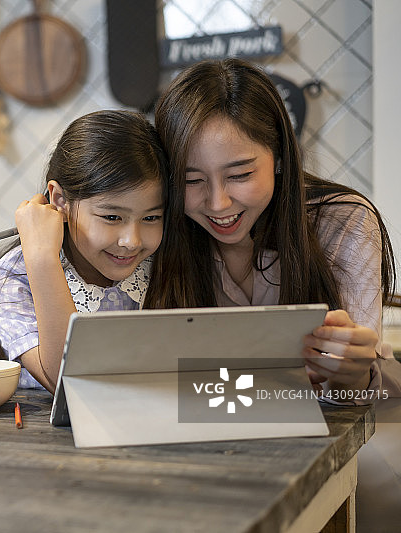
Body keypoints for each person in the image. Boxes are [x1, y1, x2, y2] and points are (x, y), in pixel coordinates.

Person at [143, 58, 396, 400]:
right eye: (191, 180)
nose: (218, 203)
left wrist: (353, 374)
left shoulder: (342, 220)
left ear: (278, 156)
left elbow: (355, 395)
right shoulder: (154, 227)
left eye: (240, 175)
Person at [0, 109, 168, 393]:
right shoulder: (13, 277)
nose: (132, 241)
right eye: (112, 217)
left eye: (151, 218)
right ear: (60, 200)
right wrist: (41, 257)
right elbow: (67, 384)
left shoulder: (161, 261)